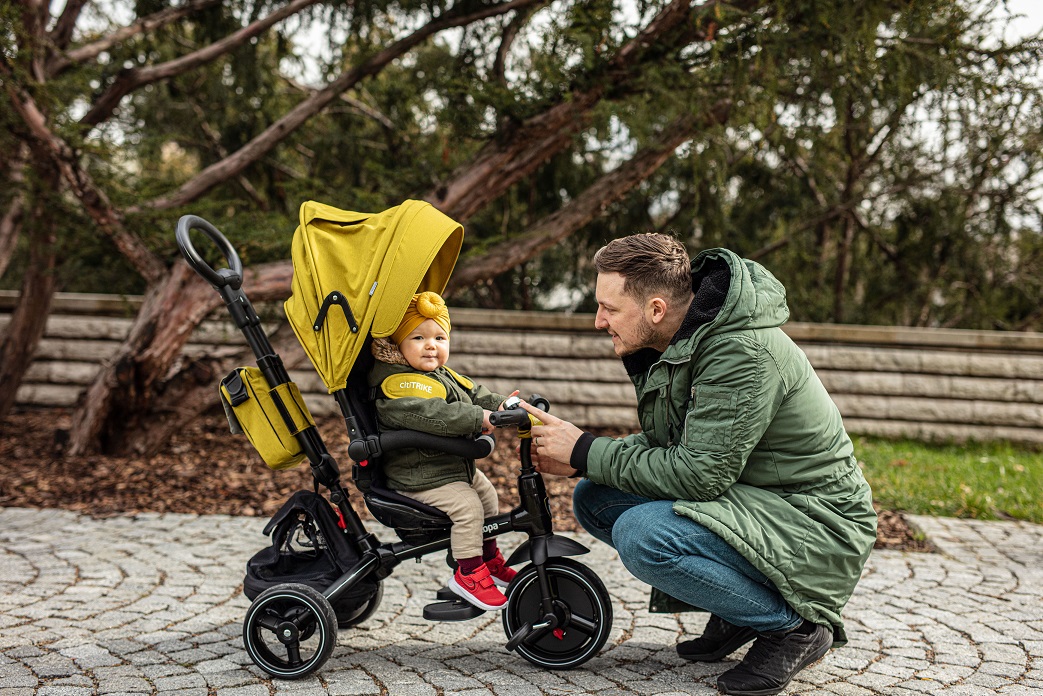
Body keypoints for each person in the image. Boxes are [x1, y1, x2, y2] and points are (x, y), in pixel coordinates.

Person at [521, 234, 877, 696]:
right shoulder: (687, 339)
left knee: (642, 535)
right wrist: (580, 455)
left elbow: (699, 475)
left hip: (818, 522)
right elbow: (671, 446)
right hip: (763, 499)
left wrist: (585, 451)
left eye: (609, 308)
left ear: (655, 309)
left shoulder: (741, 354)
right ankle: (739, 612)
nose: (598, 321)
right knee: (596, 497)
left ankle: (794, 628)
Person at [369, 291, 518, 611]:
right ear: (398, 344)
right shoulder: (400, 384)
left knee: (488, 496)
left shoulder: (441, 374)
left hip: (447, 469)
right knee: (468, 508)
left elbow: (474, 392)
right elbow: (432, 414)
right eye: (418, 337)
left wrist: (501, 406)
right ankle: (468, 574)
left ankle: (488, 559)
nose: (431, 345)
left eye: (439, 337)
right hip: (417, 476)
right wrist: (477, 419)